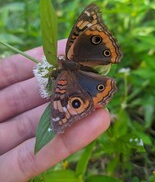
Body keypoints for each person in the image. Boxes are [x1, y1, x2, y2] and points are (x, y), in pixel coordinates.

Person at [0, 39, 110, 182]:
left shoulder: (62, 81)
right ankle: (103, 86)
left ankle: (102, 85)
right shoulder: (64, 76)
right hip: (82, 77)